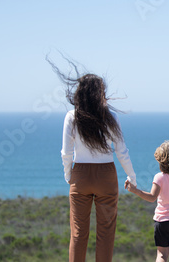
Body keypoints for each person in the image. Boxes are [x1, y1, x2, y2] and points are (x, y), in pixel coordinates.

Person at [53, 59, 137, 262]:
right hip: (106, 175)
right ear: (100, 93)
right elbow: (121, 151)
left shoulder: (71, 117)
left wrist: (68, 175)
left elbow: (66, 152)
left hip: (80, 175)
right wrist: (131, 176)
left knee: (78, 233)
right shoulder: (111, 117)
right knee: (106, 233)